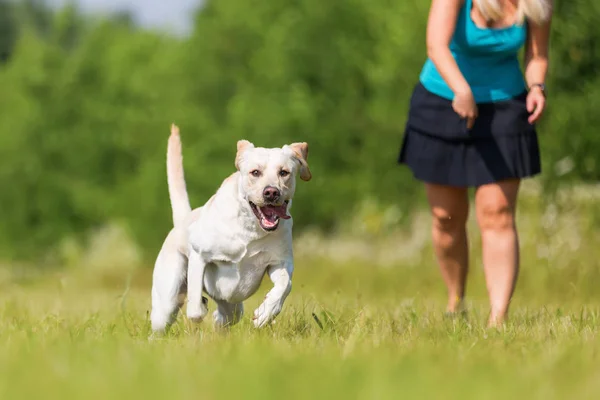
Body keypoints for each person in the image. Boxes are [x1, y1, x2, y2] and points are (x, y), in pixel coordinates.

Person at [398, 0, 552, 327]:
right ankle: (456, 300)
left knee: (497, 213)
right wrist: (462, 90)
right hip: (444, 100)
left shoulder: (538, 3)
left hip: (505, 108)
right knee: (446, 217)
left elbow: (537, 54)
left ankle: (498, 319)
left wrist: (537, 87)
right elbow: (436, 46)